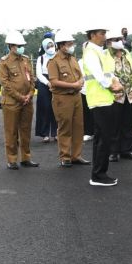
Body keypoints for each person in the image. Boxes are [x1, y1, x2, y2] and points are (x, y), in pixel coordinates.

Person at [83, 27, 124, 187]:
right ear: (92, 35)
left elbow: (108, 73)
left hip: (106, 99)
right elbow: (99, 76)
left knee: (102, 138)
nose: (104, 36)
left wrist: (116, 81)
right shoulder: (91, 52)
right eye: (102, 33)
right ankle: (98, 175)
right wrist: (113, 87)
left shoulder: (100, 51)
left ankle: (99, 173)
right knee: (103, 138)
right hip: (99, 99)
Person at [47, 31, 90, 167]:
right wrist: (73, 84)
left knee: (78, 127)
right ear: (61, 45)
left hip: (76, 96)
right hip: (62, 98)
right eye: (69, 44)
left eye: (72, 43)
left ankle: (76, 155)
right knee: (65, 127)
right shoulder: (54, 61)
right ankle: (65, 156)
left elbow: (80, 75)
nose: (72, 46)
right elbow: (53, 81)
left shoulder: (72, 59)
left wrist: (81, 81)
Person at [0, 31, 39, 170]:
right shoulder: (4, 62)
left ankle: (26, 158)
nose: (21, 47)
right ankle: (12, 160)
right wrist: (21, 97)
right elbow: (5, 84)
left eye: (22, 45)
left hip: (27, 101)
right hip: (12, 102)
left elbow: (32, 79)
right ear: (11, 46)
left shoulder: (26, 59)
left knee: (26, 131)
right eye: (19, 45)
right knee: (11, 132)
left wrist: (30, 93)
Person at [106, 32, 132, 162]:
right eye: (116, 39)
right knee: (114, 124)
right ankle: (113, 151)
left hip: (131, 93)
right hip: (115, 95)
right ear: (109, 42)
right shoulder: (105, 55)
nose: (120, 41)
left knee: (128, 122)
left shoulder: (127, 53)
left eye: (120, 39)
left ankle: (126, 150)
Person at [35, 38, 59, 143]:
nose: (50, 48)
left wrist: (54, 82)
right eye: (48, 46)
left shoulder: (58, 56)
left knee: (57, 108)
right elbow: (39, 74)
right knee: (45, 108)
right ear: (44, 48)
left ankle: (56, 133)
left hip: (57, 82)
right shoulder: (40, 58)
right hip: (44, 84)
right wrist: (48, 83)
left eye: (52, 45)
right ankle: (45, 134)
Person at [78, 48, 94, 142]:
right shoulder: (80, 62)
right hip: (84, 90)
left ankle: (96, 131)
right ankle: (88, 132)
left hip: (95, 90)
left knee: (96, 112)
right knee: (86, 112)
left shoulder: (96, 60)